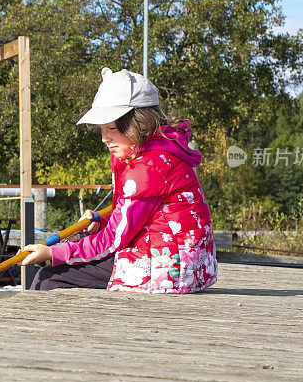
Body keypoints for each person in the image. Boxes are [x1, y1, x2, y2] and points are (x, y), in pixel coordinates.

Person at [22, 67, 217, 294]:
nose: (105, 139)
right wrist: (102, 223)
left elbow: (114, 240)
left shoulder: (146, 167)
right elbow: (136, 220)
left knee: (48, 277)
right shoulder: (158, 152)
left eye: (112, 128)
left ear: (139, 123)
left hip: (166, 265)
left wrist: (54, 253)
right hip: (187, 261)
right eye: (101, 129)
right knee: (76, 260)